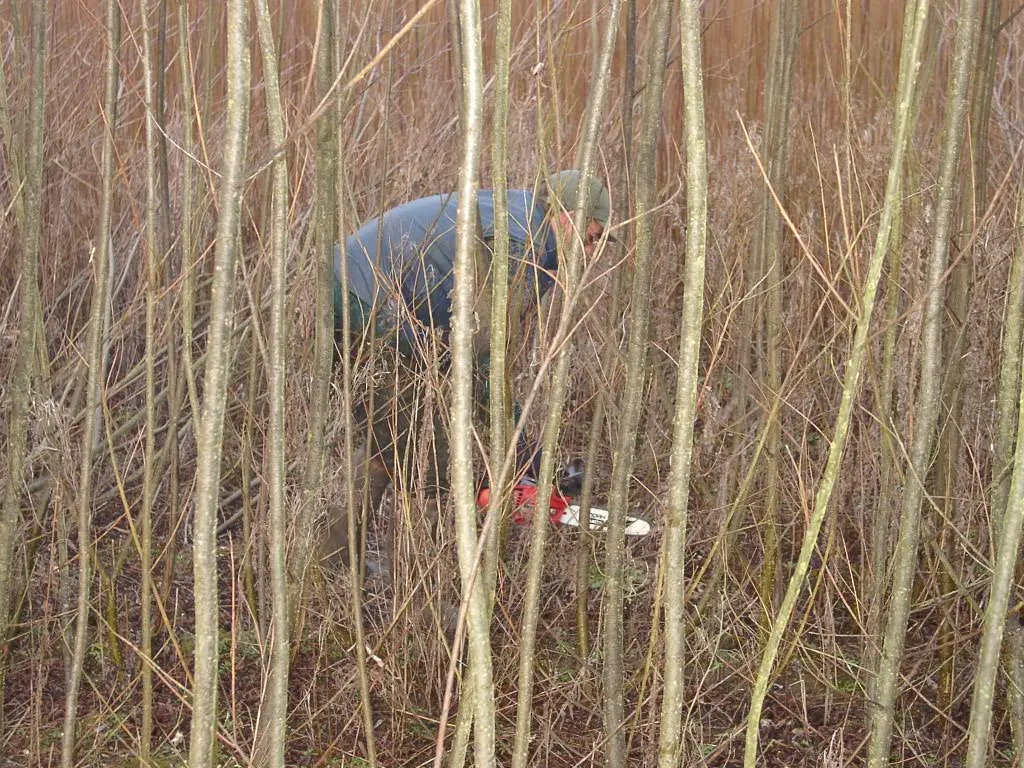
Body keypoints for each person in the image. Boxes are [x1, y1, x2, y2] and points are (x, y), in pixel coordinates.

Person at [324, 169, 611, 569]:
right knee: (434, 460)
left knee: (387, 442)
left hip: (347, 289)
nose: (592, 250)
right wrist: (524, 457)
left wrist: (526, 457)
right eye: (593, 236)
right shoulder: (523, 244)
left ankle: (332, 560)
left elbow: (476, 351)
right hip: (373, 305)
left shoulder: (517, 216)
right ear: (570, 215)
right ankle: (419, 601)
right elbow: (484, 359)